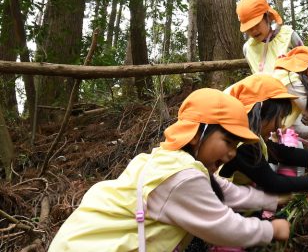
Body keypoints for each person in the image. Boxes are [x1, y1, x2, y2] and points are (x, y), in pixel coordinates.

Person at [49, 89, 290, 252]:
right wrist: (271, 229)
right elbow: (223, 226)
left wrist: (272, 200)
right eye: (228, 142)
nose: (232, 153)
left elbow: (226, 192)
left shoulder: (169, 162)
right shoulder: (181, 176)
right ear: (198, 134)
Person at [219, 74, 308, 195]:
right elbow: (272, 183)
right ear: (261, 112)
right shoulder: (242, 145)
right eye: (278, 118)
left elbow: (282, 153)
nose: (279, 126)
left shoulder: (252, 138)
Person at [236, 0, 303, 74]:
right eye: (249, 27)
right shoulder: (248, 49)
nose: (253, 31)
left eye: (256, 24)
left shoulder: (288, 36)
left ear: (267, 16)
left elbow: (306, 61)